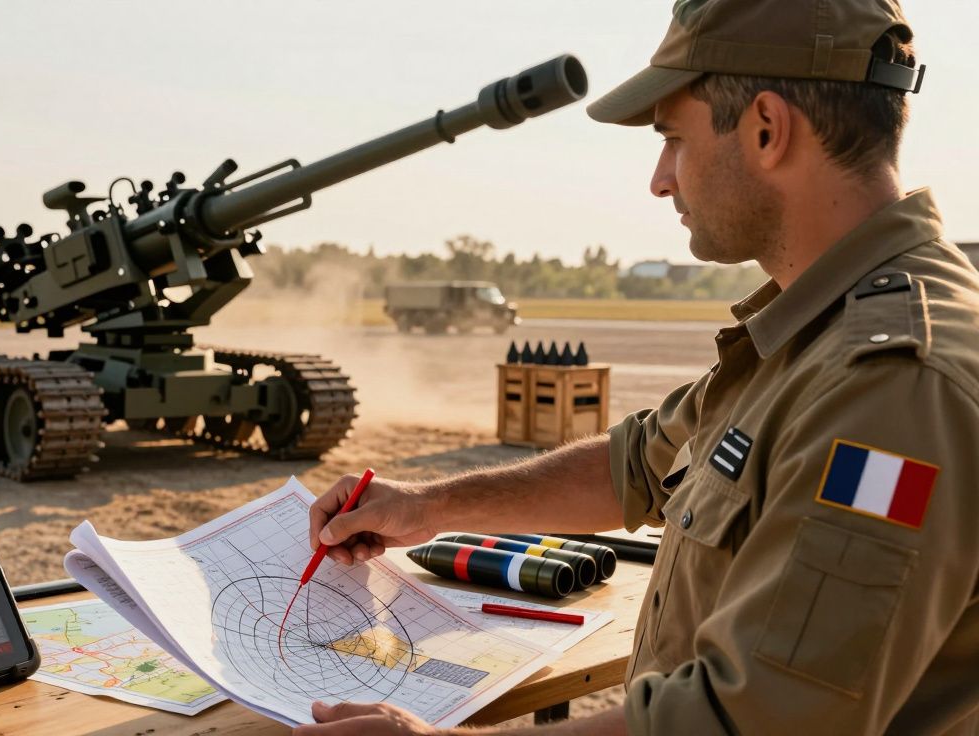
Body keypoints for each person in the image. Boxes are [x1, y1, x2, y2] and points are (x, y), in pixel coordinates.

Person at [295, 0, 979, 734]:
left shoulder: (893, 386)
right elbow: (639, 466)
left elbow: (762, 721)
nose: (660, 179)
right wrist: (427, 508)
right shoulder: (816, 330)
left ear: (766, 129)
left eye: (674, 140)